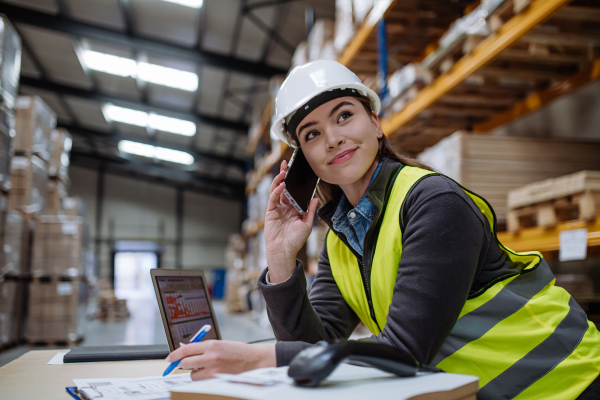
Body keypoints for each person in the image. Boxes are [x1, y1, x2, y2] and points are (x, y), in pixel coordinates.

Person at [166, 60, 600, 399]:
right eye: (312, 133)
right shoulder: (343, 236)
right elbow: (315, 346)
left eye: (344, 116)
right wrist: (281, 261)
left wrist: (255, 358)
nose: (333, 139)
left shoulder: (433, 203)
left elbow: (405, 352)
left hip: (567, 383)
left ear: (375, 122)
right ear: (304, 160)